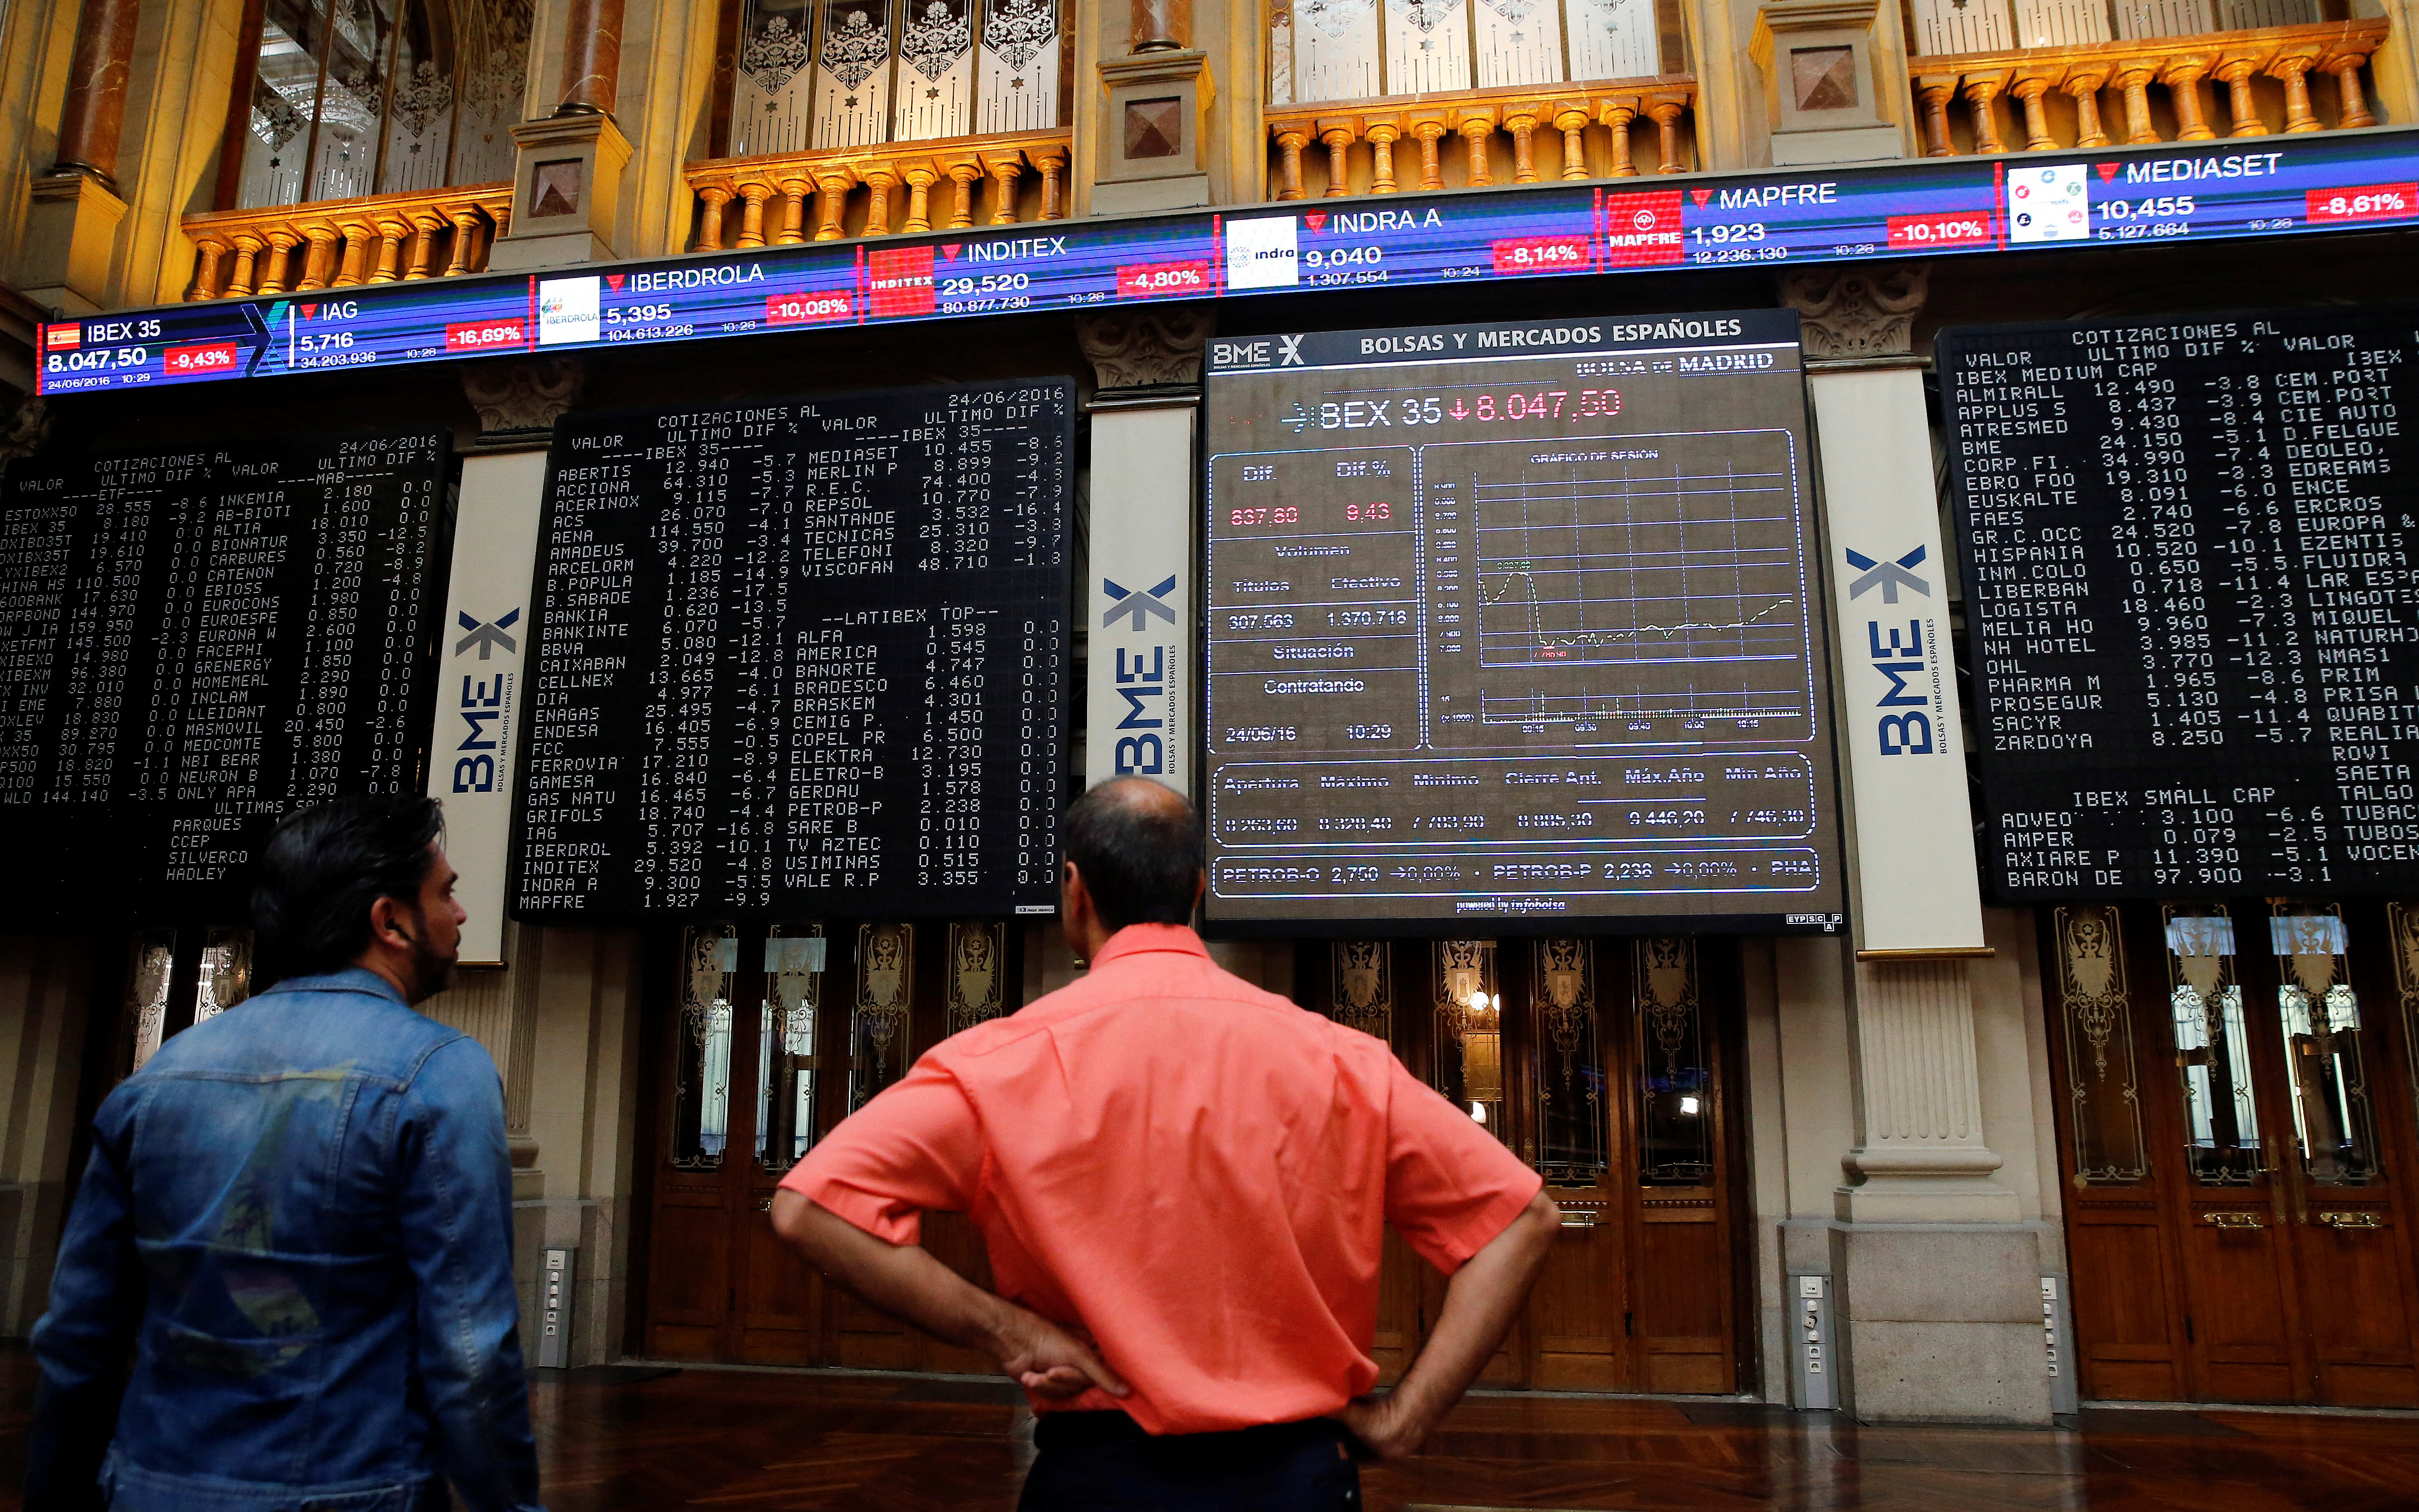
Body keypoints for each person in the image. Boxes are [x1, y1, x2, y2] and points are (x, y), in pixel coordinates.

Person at [771, 776, 1560, 1510]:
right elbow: (1522, 1221)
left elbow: (809, 1210)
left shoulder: (996, 1065)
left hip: (1097, 1477)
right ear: (1197, 892)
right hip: (1299, 1479)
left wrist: (1012, 1333)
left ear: (1074, 892)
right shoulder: (1341, 1061)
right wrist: (1406, 1418)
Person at [25, 795, 544, 1512]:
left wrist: (55, 1496)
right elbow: (471, 1351)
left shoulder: (156, 1079)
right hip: (349, 1490)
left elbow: (79, 1338)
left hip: (148, 1486)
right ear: (389, 921)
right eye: (447, 893)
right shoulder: (438, 1075)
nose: (460, 915)